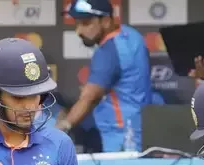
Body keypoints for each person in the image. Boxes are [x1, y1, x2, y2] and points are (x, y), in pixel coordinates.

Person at [56, 0, 152, 152]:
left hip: (121, 137)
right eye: (77, 24)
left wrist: (64, 125)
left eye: (86, 23)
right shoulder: (132, 36)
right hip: (141, 128)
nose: (79, 31)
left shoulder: (107, 51)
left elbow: (90, 98)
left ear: (106, 21)